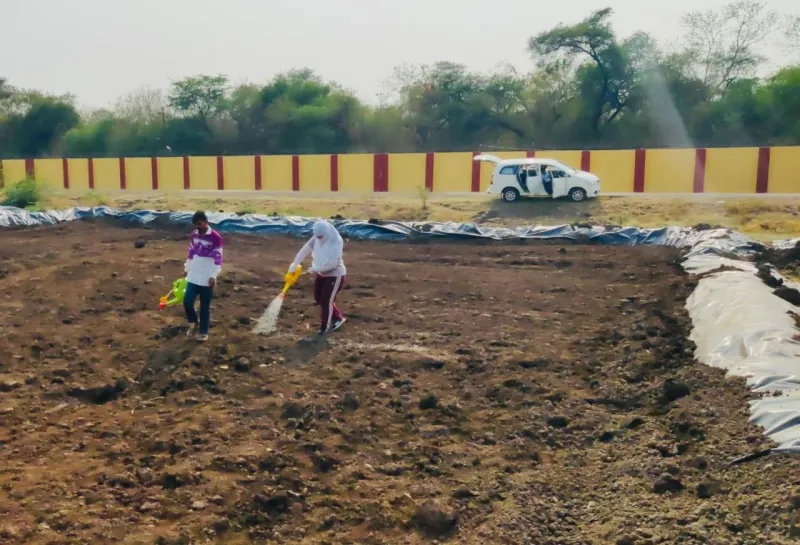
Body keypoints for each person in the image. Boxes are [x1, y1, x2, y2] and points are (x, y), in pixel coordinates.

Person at [289, 220, 347, 336]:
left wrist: (316, 269)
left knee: (326, 301)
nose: (319, 239)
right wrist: (294, 265)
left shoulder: (336, 242)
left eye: (321, 237)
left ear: (326, 233)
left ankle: (324, 328)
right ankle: (338, 318)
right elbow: (304, 251)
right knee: (319, 299)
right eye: (317, 236)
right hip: (321, 274)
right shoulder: (316, 237)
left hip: (335, 275)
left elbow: (333, 264)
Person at [183, 211, 223, 342]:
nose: (197, 227)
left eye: (199, 224)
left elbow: (218, 259)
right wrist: (186, 268)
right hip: (193, 275)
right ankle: (194, 322)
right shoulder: (194, 235)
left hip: (207, 277)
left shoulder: (216, 238)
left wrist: (213, 276)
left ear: (206, 221)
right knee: (187, 301)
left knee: (204, 306)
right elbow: (191, 253)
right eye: (195, 225)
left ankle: (203, 331)